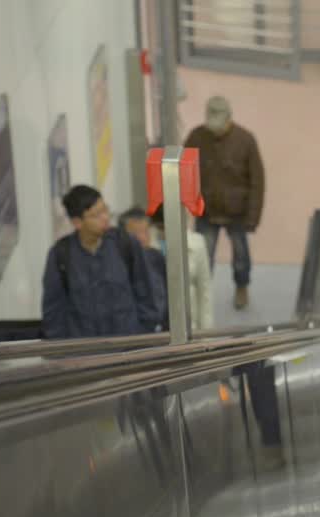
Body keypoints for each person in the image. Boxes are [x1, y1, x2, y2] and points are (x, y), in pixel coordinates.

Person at [41, 185, 165, 339]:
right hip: (84, 353)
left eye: (105, 209)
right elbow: (53, 311)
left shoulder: (125, 244)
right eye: (96, 215)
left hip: (128, 349)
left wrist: (144, 334)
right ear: (77, 222)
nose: (105, 217)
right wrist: (64, 350)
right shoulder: (61, 254)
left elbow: (147, 293)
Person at [184, 96, 265, 310]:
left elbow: (257, 181)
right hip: (207, 211)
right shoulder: (196, 137)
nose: (215, 131)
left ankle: (241, 286)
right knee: (203, 256)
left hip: (236, 212)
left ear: (230, 119)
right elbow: (185, 172)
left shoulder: (246, 140)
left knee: (240, 254)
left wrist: (252, 216)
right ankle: (201, 292)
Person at [147, 204, 215, 331]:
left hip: (189, 323)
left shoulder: (197, 243)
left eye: (169, 226)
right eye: (161, 227)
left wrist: (206, 332)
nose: (165, 231)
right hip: (158, 326)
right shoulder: (148, 244)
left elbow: (204, 291)